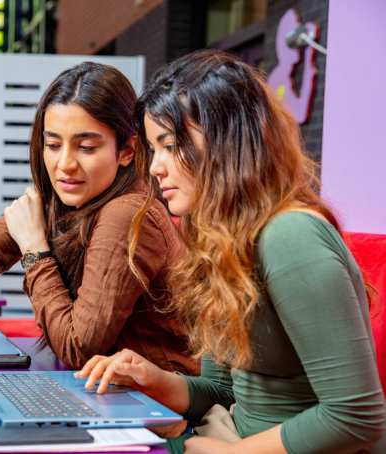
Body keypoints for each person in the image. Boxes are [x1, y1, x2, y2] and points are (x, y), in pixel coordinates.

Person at [77, 50, 386, 453]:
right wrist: (152, 379)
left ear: (228, 142)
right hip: (228, 433)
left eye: (170, 145)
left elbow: (357, 415)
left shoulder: (290, 236)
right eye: (155, 149)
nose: (156, 167)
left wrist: (233, 453)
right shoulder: (221, 240)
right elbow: (222, 389)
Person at [0, 62, 198, 375]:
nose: (65, 164)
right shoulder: (79, 199)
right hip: (110, 395)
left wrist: (35, 253)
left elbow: (78, 347)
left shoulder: (126, 213)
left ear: (126, 151)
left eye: (86, 147)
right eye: (53, 145)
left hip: (153, 410)